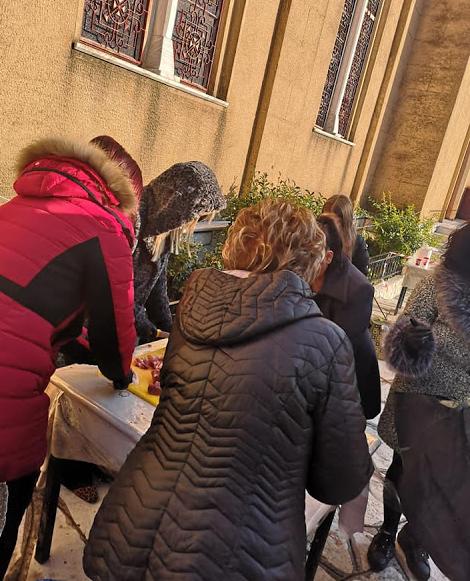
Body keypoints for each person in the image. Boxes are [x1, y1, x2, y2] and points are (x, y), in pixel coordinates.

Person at [83, 198, 373, 581]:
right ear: (306, 261)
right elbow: (339, 480)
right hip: (233, 549)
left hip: (132, 521)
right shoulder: (325, 341)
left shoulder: (193, 306)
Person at [0, 137, 136, 580]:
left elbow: (30, 305)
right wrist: (121, 376)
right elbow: (114, 338)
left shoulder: (16, 206)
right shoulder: (104, 226)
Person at [368, 221, 470, 581]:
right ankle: (386, 531)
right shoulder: (433, 287)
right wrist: (445, 343)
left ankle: (416, 538)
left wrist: (441, 343)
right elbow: (399, 346)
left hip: (461, 412)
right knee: (403, 471)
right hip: (417, 404)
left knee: (444, 482)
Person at [57, 135, 144, 504]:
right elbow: (112, 309)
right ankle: (67, 469)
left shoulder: (46, 202)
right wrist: (121, 368)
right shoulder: (103, 229)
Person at [133, 161, 226, 343]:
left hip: (122, 327)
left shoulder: (162, 229)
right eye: (194, 217)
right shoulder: (134, 219)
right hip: (93, 329)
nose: (190, 225)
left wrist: (169, 333)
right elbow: (113, 296)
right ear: (178, 207)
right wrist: (154, 333)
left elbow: (157, 290)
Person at [313, 213, 381, 419]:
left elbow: (341, 350)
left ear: (328, 256)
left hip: (349, 376)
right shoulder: (303, 270)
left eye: (309, 253)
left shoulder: (358, 289)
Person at [322, 194, 370, 275]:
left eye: (333, 222)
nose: (328, 226)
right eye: (325, 220)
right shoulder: (317, 237)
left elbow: (361, 277)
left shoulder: (357, 243)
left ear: (345, 222)